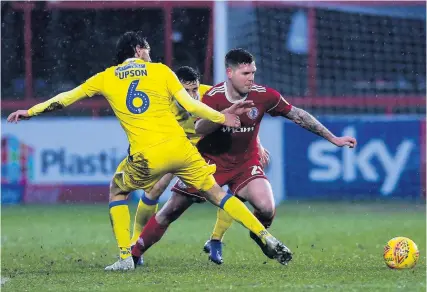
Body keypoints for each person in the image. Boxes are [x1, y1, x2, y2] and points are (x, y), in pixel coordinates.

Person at [6, 33, 291, 271]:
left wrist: (30, 111)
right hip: (182, 148)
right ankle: (264, 235)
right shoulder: (161, 71)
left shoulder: (105, 78)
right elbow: (192, 105)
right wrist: (222, 117)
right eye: (148, 50)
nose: (151, 54)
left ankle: (124, 256)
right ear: (139, 50)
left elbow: (66, 98)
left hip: (148, 155)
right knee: (218, 194)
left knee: (117, 190)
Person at [131, 48, 356, 266]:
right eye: (245, 73)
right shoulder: (213, 96)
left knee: (267, 208)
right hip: (209, 163)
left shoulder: (264, 95)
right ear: (230, 73)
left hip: (244, 164)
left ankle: (258, 236)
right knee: (170, 210)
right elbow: (199, 128)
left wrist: (333, 138)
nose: (251, 78)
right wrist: (224, 116)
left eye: (253, 73)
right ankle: (134, 252)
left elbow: (297, 114)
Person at [129, 66, 271, 256]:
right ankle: (135, 241)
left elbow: (239, 115)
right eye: (186, 90)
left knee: (231, 186)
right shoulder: (160, 103)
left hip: (207, 150)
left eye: (194, 89)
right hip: (176, 147)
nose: (192, 95)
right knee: (156, 189)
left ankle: (216, 239)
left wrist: (258, 144)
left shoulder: (210, 94)